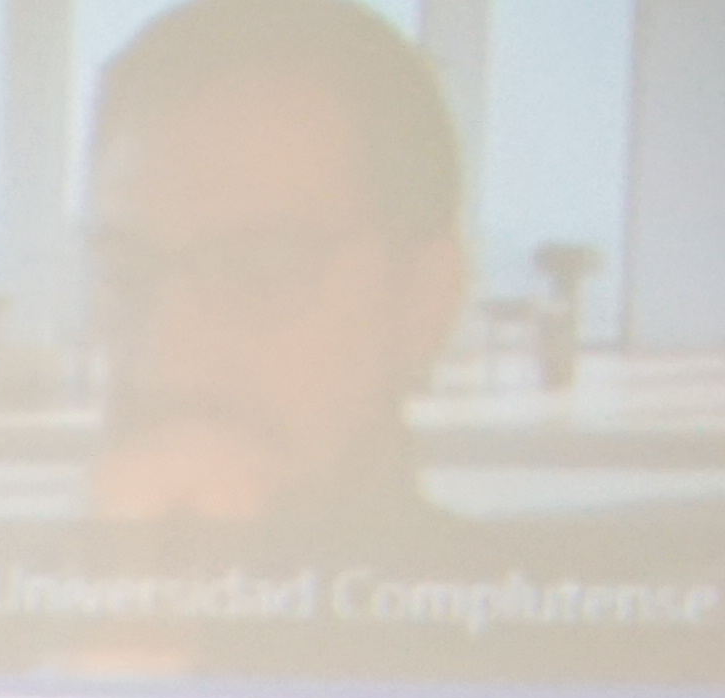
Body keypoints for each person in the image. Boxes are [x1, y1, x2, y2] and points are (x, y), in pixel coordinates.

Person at [84, 0, 471, 539]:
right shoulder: (11, 582)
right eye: (126, 274)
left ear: (425, 301)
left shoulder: (523, 592)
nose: (170, 358)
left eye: (261, 271)